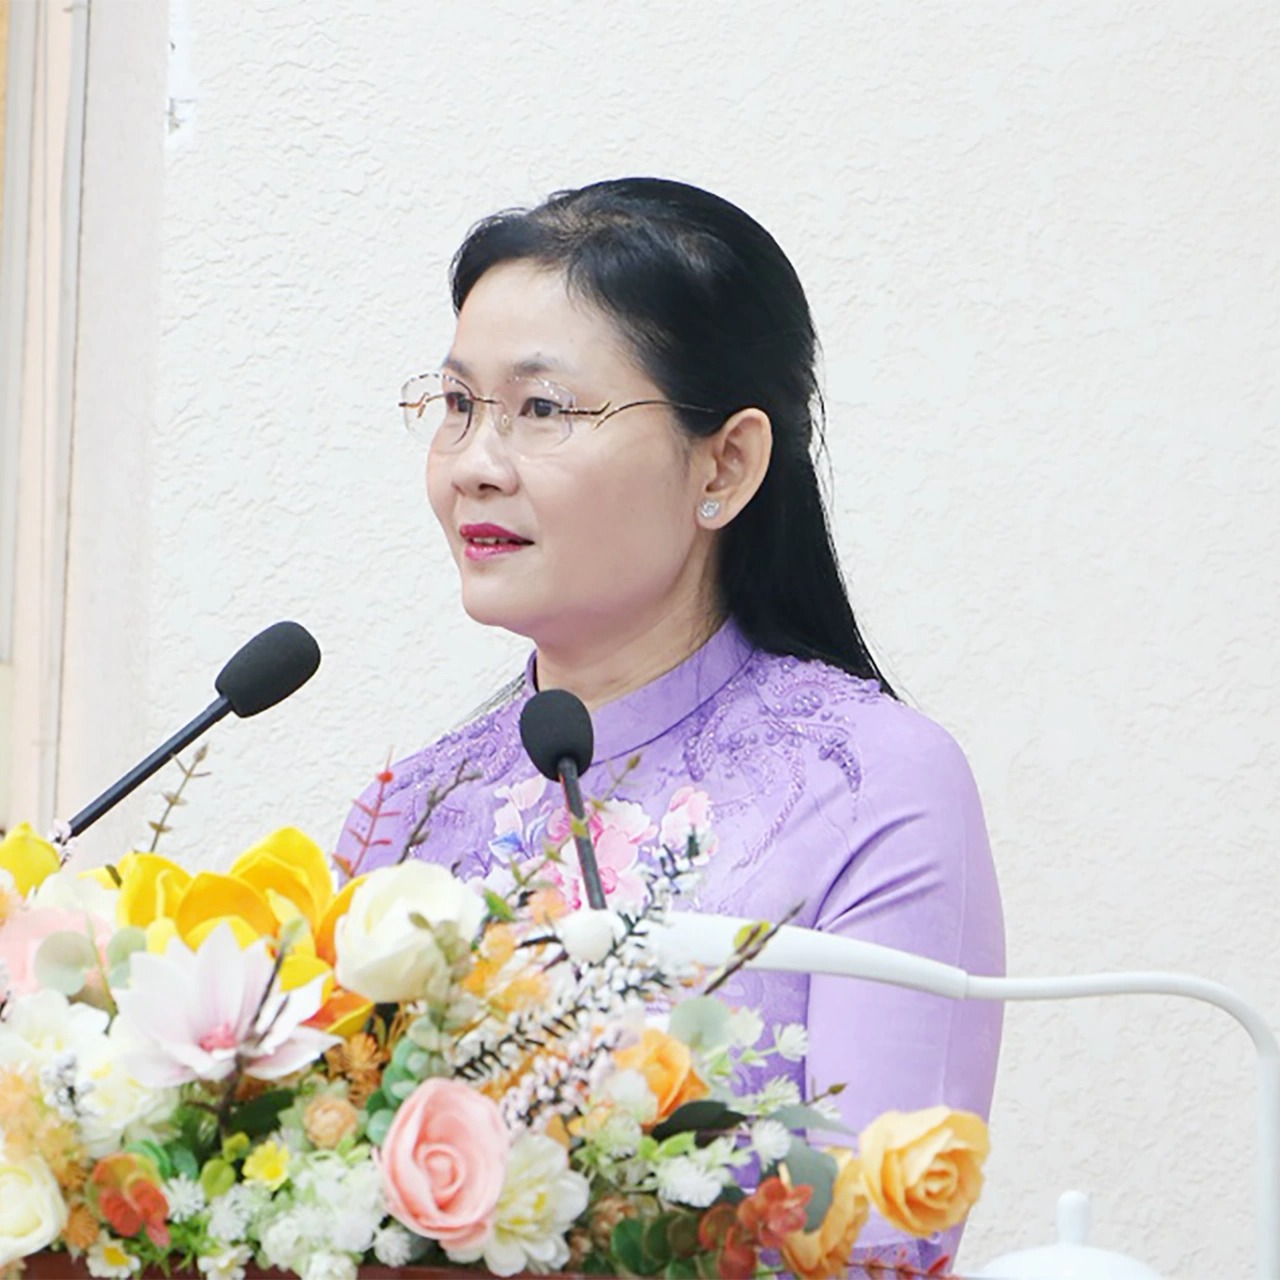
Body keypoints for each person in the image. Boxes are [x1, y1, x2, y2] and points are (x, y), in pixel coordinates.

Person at [335, 178, 1004, 1264]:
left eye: (542, 409)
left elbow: (881, 1241)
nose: (474, 464)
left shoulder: (871, 783)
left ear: (725, 463)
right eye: (456, 404)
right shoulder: (410, 813)